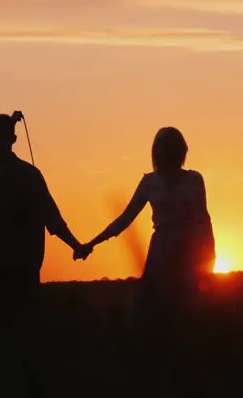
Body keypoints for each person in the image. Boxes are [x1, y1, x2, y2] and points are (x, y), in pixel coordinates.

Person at [76, 126, 216, 327]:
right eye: (164, 148)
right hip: (161, 251)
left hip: (189, 252)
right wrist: (92, 243)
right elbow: (125, 218)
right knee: (153, 310)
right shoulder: (149, 182)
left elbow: (204, 219)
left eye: (173, 148)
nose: (169, 153)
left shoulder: (195, 179)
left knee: (189, 310)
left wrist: (210, 253)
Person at [0, 113, 90, 318]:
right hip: (2, 267)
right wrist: (76, 245)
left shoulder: (19, 175)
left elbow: (51, 217)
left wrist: (75, 245)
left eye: (1, 137)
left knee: (15, 326)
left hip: (18, 267)